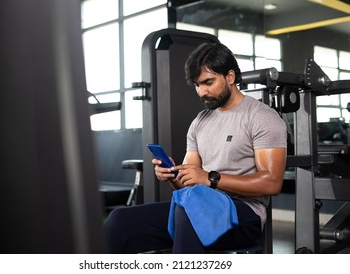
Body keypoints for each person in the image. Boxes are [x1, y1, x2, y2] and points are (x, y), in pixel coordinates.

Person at [104, 42, 287, 254]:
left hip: (244, 215)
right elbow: (187, 189)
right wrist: (174, 176)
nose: (202, 92)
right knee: (121, 221)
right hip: (194, 208)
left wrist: (210, 179)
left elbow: (272, 183)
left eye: (208, 82)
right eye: (197, 85)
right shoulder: (200, 121)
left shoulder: (261, 117)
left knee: (191, 209)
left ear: (230, 76)